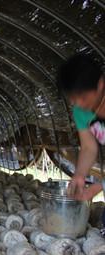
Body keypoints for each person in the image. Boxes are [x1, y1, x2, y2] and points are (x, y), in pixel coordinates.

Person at [58, 53, 105, 202]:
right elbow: (88, 148)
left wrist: (98, 187)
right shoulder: (80, 112)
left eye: (83, 97)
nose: (79, 104)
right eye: (73, 99)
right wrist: (79, 174)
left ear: (100, 84)